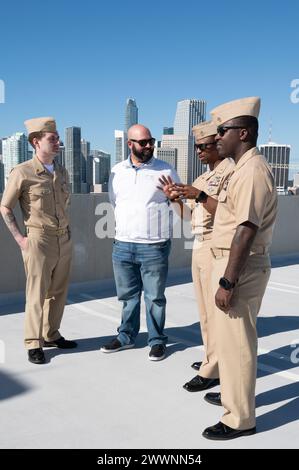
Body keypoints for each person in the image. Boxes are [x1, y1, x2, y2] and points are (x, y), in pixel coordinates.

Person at [201, 97, 278, 440]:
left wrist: (227, 281)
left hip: (240, 268)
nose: (217, 137)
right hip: (231, 263)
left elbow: (245, 230)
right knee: (231, 344)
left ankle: (239, 419)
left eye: (222, 131)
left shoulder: (252, 171)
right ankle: (233, 394)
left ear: (243, 133)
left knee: (238, 344)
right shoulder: (241, 168)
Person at [159, 120, 235, 391]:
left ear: (218, 144)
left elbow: (230, 214)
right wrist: (174, 200)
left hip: (219, 246)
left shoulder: (231, 172)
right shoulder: (201, 178)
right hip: (200, 245)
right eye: (196, 147)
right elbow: (189, 217)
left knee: (217, 313)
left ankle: (213, 369)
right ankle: (211, 358)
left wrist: (201, 196)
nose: (200, 151)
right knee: (204, 312)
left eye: (204, 146)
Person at [0, 117, 77, 365]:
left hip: (63, 238)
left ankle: (51, 334)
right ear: (36, 142)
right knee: (36, 294)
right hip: (38, 240)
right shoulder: (22, 172)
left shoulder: (61, 171)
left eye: (57, 138)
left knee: (58, 293)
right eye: (52, 139)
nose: (58, 142)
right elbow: (5, 207)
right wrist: (21, 239)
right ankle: (34, 342)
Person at [101, 124, 180, 361]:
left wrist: (172, 198)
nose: (148, 146)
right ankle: (125, 337)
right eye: (143, 142)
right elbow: (114, 203)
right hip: (123, 245)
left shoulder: (165, 169)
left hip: (154, 245)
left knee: (155, 297)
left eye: (150, 141)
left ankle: (156, 341)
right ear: (130, 144)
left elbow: (177, 204)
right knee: (127, 297)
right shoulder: (117, 172)